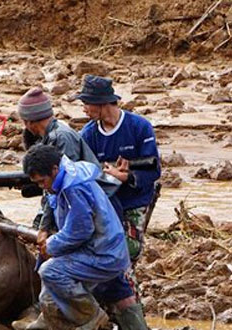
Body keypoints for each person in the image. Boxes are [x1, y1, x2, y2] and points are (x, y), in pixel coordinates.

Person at [78, 74, 160, 328]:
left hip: (134, 202)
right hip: (104, 206)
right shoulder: (88, 134)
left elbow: (153, 170)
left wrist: (126, 177)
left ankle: (132, 318)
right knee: (105, 259)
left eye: (87, 103)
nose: (84, 108)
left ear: (102, 104)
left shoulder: (139, 127)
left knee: (125, 257)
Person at [22, 144, 130, 330]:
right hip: (93, 248)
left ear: (54, 170)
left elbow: (80, 230)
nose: (42, 187)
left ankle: (92, 316)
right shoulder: (63, 176)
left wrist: (52, 245)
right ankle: (50, 318)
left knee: (50, 271)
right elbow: (52, 202)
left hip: (103, 253)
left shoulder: (74, 188)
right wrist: (45, 230)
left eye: (42, 182)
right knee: (49, 284)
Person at [16, 87, 99, 233]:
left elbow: (61, 184)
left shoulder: (61, 137)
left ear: (29, 121)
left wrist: (45, 226)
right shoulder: (50, 136)